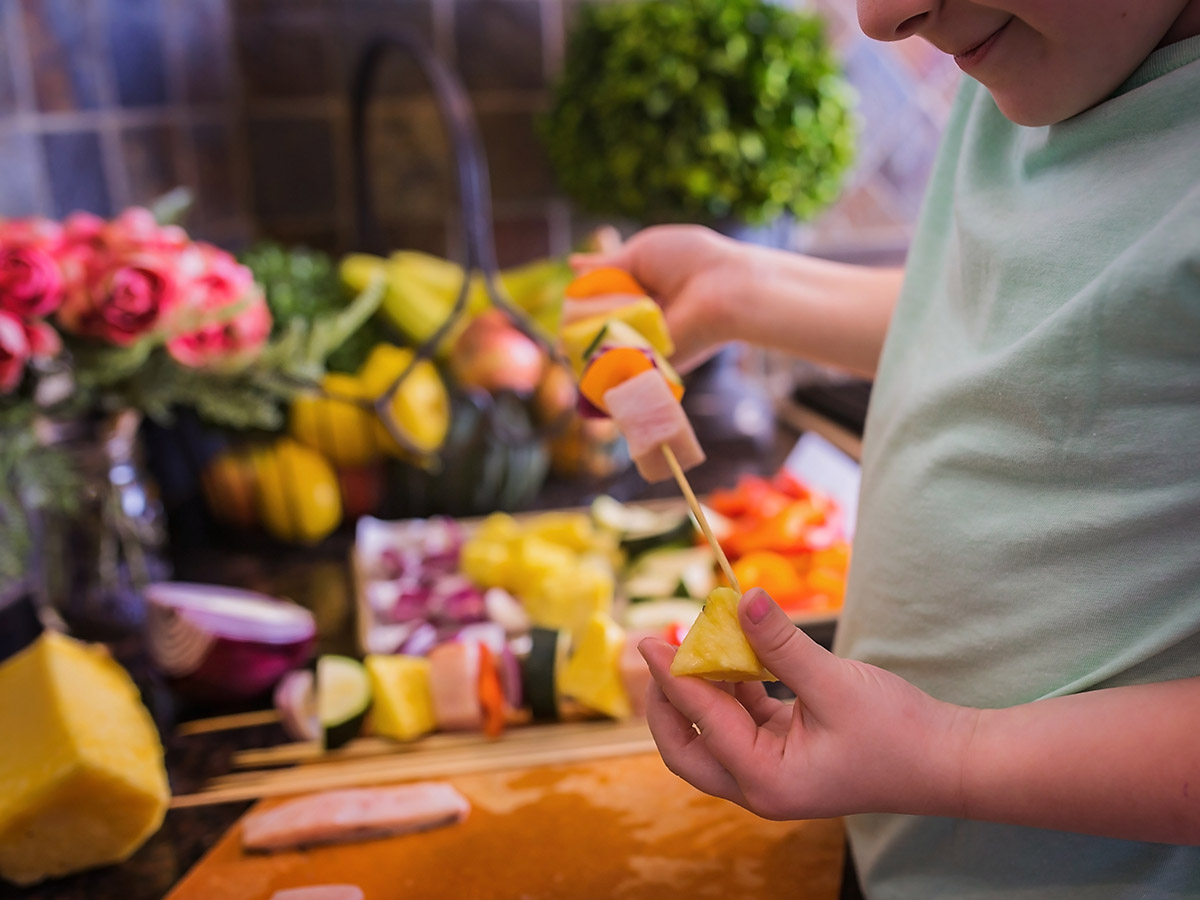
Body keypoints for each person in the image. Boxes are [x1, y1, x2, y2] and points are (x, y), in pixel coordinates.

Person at [571, 1, 1200, 897]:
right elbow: (1043, 330)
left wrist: (951, 756)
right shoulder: (1028, 62)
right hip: (901, 849)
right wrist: (743, 285)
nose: (882, 16)